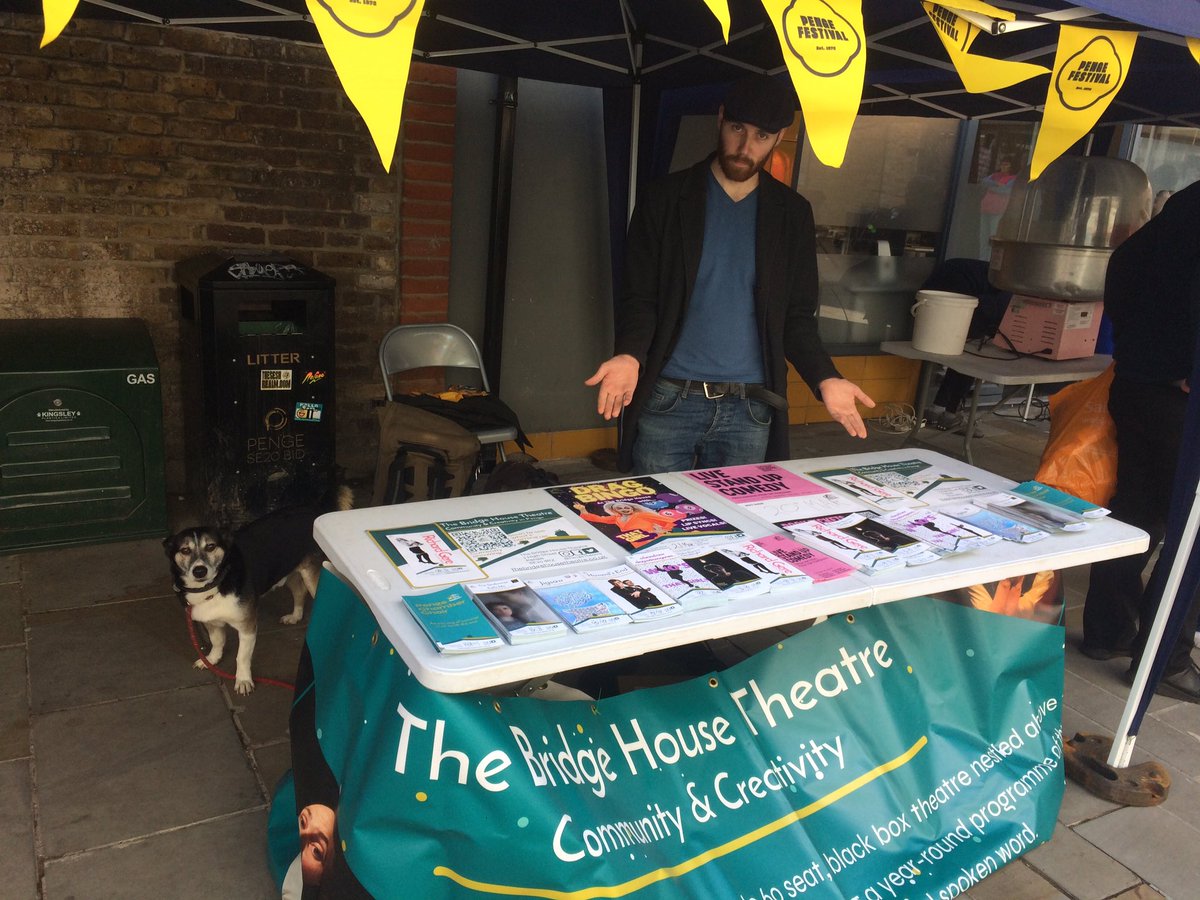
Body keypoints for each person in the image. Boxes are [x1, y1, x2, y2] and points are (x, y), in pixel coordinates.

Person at [586, 74, 874, 474]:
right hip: (670, 398)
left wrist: (826, 377)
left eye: (761, 135)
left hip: (751, 407)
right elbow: (641, 298)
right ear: (720, 120)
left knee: (738, 527)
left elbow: (796, 316)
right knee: (655, 515)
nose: (745, 147)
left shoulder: (791, 214)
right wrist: (629, 354)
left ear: (780, 137)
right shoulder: (665, 199)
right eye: (737, 128)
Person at [1080, 181, 1200, 702]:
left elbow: (1121, 295)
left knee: (1135, 513)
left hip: (1136, 385)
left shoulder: (1153, 236)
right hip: (1181, 397)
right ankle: (1165, 658)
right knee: (1192, 532)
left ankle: (1108, 633)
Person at [918, 258, 1013, 430]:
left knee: (960, 356)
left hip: (931, 303)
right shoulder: (1009, 293)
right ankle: (950, 414)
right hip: (958, 302)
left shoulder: (992, 276)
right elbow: (993, 316)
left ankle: (937, 408)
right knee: (971, 359)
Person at [978, 157, 1016, 257]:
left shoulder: (1013, 179)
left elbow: (1006, 191)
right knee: (983, 236)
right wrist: (997, 184)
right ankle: (981, 258)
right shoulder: (995, 176)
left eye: (1006, 164)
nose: (1003, 166)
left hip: (998, 210)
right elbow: (983, 182)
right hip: (986, 208)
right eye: (1002, 164)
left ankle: (989, 260)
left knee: (993, 236)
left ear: (1011, 166)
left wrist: (992, 188)